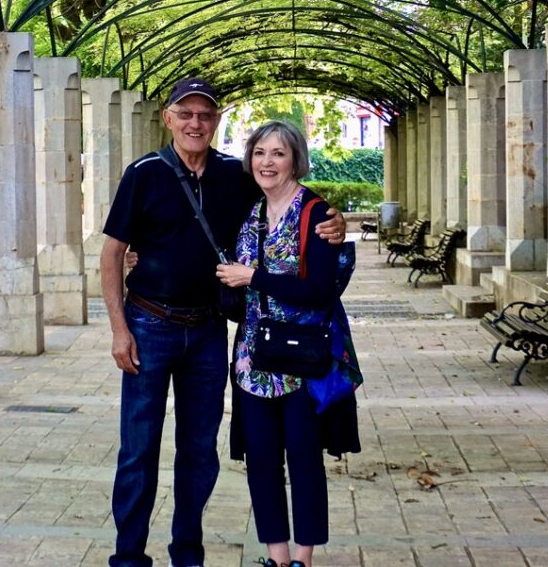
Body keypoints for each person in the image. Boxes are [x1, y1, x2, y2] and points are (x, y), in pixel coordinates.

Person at [100, 79, 347, 567]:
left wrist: (332, 220)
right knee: (138, 449)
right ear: (168, 118)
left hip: (210, 332)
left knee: (199, 450)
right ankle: (129, 557)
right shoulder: (144, 174)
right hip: (149, 325)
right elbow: (111, 255)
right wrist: (118, 329)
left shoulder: (235, 175)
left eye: (205, 115)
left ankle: (187, 553)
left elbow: (288, 197)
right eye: (185, 114)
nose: (196, 123)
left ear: (216, 122)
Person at [216, 120, 361, 567]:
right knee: (260, 460)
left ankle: (304, 557)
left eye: (278, 153)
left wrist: (253, 277)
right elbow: (237, 297)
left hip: (303, 359)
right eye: (259, 153)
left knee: (303, 459)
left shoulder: (316, 214)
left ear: (296, 158)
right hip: (253, 359)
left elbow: (319, 291)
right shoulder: (253, 213)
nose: (267, 162)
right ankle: (276, 557)